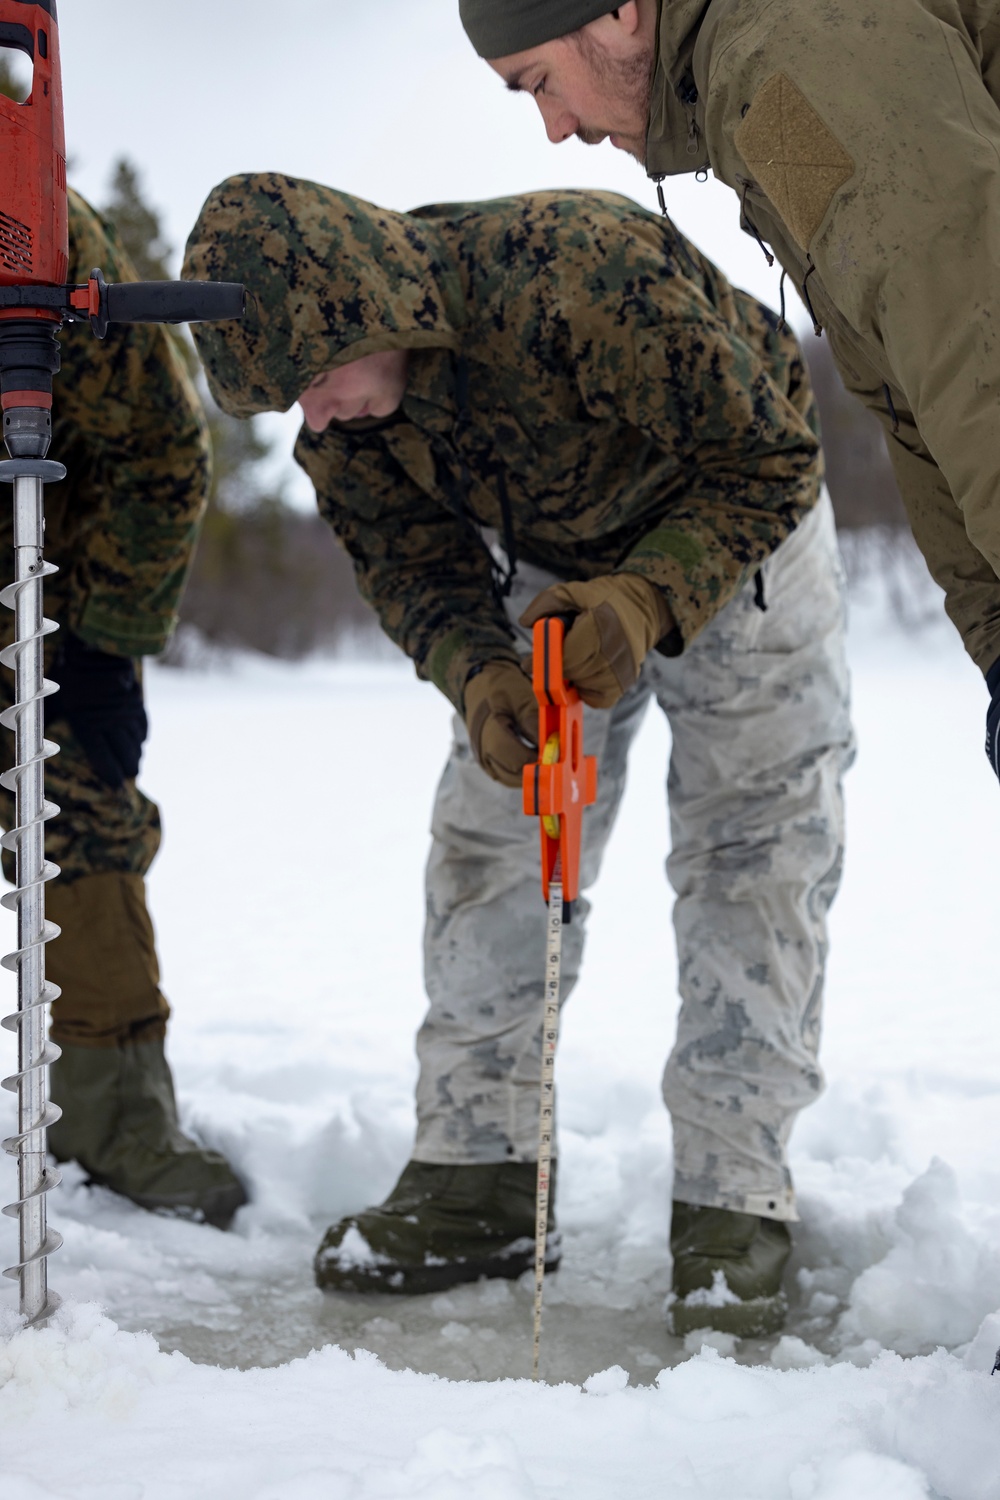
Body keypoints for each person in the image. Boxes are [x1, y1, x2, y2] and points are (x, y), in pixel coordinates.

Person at [184, 172, 853, 1334]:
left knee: (754, 851)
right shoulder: (344, 435)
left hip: (739, 541)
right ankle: (479, 1175)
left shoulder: (575, 271)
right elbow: (415, 571)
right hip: (542, 568)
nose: (317, 416)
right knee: (495, 842)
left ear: (357, 311)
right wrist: (478, 673)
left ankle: (732, 1198)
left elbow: (771, 458)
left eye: (312, 380)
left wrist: (647, 598)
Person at [457, 0, 1000, 784]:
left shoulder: (792, 53)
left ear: (618, 13)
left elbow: (971, 334)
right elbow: (911, 388)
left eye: (539, 83)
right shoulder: (755, 81)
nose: (554, 127)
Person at [0, 189, 247, 1228]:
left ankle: (110, 1114)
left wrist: (104, 637)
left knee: (78, 811)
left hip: (39, 558)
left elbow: (160, 446)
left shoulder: (29, 223)